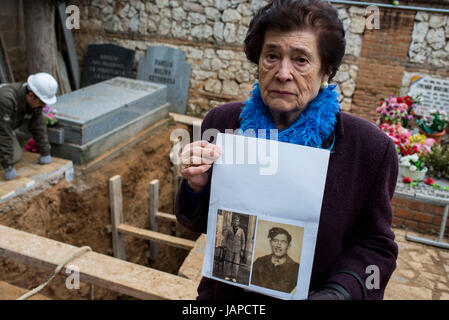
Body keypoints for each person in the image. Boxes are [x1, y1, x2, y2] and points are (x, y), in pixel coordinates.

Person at [175, 0, 398, 300]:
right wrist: (196, 187)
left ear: (327, 70)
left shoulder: (369, 149)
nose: (282, 72)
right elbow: (200, 224)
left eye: (301, 60)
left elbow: (375, 245)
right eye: (271, 56)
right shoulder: (223, 124)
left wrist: (340, 292)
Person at [0, 73, 58, 181]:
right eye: (42, 103)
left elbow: (38, 125)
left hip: (2, 126)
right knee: (7, 159)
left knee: (15, 156)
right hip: (2, 128)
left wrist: (45, 152)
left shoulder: (34, 102)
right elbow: (3, 134)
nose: (44, 106)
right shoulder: (6, 99)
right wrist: (8, 167)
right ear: (31, 95)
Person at [251, 227, 299, 293]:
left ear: (288, 246)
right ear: (270, 243)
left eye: (283, 242)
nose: (278, 245)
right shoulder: (259, 262)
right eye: (275, 241)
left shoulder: (296, 269)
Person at [222, 214, 246, 283]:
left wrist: (242, 250)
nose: (236, 222)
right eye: (235, 221)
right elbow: (225, 238)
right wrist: (225, 246)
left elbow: (243, 241)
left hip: (237, 250)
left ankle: (233, 276)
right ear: (233, 222)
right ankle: (227, 275)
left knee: (236, 263)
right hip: (229, 248)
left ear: (239, 222)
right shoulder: (229, 229)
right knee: (228, 262)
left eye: (237, 221)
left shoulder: (241, 231)